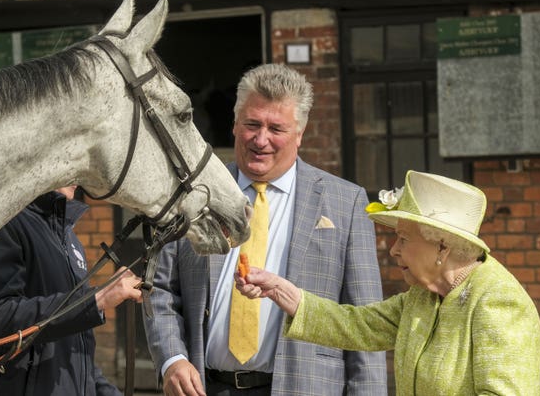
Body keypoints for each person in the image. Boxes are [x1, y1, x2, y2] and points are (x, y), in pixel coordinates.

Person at [144, 63, 387, 396]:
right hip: (207, 386)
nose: (261, 139)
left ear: (300, 133)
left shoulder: (345, 203)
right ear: (234, 124)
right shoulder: (195, 195)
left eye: (276, 128)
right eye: (252, 124)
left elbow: (365, 322)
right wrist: (171, 358)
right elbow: (159, 290)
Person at [235, 170, 540, 395]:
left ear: (442, 247)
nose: (394, 249)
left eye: (403, 238)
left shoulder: (499, 302)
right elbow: (358, 325)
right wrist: (280, 289)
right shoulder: (423, 297)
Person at [0, 186, 143, 396]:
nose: (77, 176)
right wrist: (98, 298)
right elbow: (3, 317)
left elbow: (76, 351)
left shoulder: (68, 238)